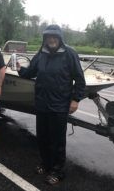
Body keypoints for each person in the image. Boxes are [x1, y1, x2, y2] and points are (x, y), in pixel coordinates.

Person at [17, 24, 86, 185]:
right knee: (42, 137)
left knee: (57, 140)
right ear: (45, 38)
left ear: (60, 38)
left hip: (60, 105)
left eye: (54, 36)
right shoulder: (41, 53)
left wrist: (76, 99)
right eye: (48, 36)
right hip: (42, 104)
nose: (51, 39)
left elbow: (80, 79)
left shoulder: (69, 53)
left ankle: (58, 170)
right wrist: (20, 69)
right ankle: (45, 164)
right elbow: (31, 72)